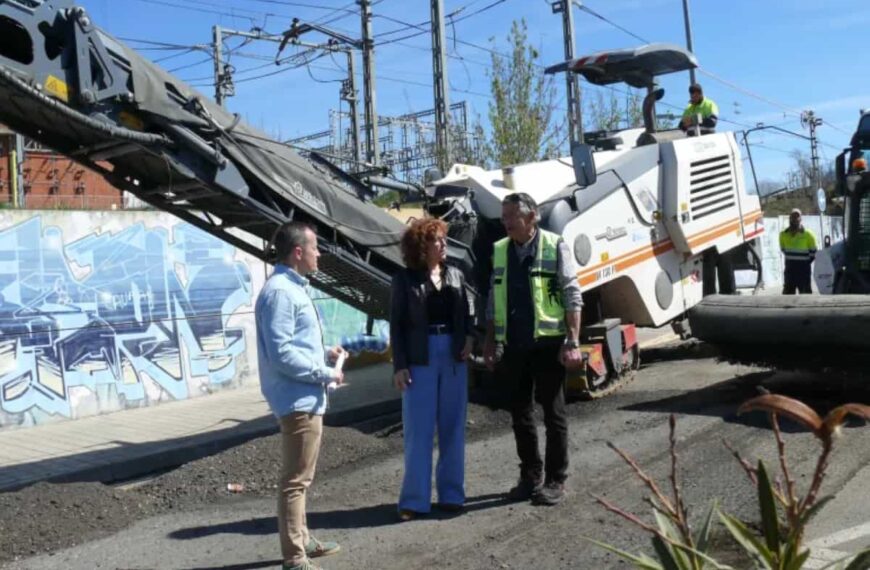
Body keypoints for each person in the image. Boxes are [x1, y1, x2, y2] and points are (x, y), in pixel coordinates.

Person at [255, 221, 347, 570]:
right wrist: (327, 372)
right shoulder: (281, 292)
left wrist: (324, 353)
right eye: (315, 247)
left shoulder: (288, 288)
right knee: (295, 481)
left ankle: (303, 539)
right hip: (297, 400)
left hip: (303, 395)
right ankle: (295, 558)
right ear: (298, 252)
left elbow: (294, 344)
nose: (319, 253)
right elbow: (282, 355)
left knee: (301, 477)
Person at [483, 193, 583, 507]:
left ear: (532, 217)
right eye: (504, 217)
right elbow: (492, 297)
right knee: (520, 414)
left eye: (512, 216)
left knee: (553, 414)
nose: (507, 223)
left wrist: (573, 339)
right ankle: (530, 475)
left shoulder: (554, 245)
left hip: (548, 343)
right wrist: (490, 340)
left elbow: (571, 292)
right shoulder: (500, 250)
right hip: (514, 344)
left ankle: (556, 479)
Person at [390, 218, 475, 521]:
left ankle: (452, 495)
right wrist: (399, 365)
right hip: (419, 357)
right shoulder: (403, 279)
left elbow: (465, 313)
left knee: (453, 426)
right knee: (418, 430)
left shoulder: (455, 273)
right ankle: (414, 500)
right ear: (421, 247)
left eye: (443, 240)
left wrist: (468, 338)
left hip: (452, 355)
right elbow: (397, 325)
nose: (444, 245)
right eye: (437, 240)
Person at [779, 208, 817, 294]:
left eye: (797, 216)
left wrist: (804, 262)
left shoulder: (808, 234)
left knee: (805, 297)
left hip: (803, 272)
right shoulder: (783, 234)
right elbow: (783, 249)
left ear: (801, 219)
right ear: (790, 218)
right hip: (789, 271)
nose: (795, 219)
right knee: (787, 297)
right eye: (793, 216)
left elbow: (813, 253)